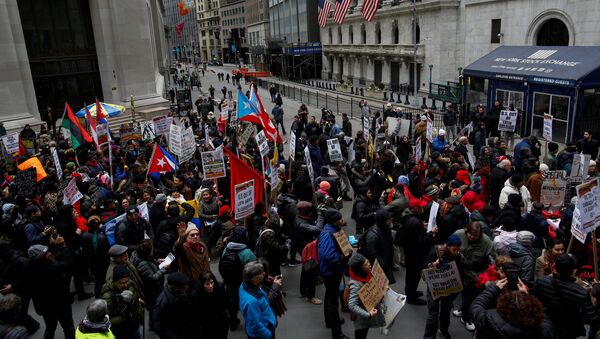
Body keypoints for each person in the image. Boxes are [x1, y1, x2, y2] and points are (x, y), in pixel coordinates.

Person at [534, 254, 600, 339]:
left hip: (544, 326)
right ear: (573, 271)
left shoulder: (541, 281)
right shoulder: (581, 292)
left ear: (554, 266)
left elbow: (534, 301)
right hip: (567, 332)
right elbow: (592, 319)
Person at [471, 278, 553, 338]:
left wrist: (494, 289)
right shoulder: (544, 330)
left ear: (503, 306)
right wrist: (528, 296)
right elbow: (543, 317)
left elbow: (477, 305)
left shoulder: (489, 319)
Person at [452, 221, 495, 332]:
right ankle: (463, 309)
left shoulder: (486, 242)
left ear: (480, 234)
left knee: (470, 296)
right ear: (466, 231)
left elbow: (492, 261)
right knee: (463, 293)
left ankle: (467, 318)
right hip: (459, 270)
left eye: (474, 236)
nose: (471, 237)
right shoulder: (459, 234)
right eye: (469, 234)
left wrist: (486, 276)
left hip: (475, 274)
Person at [28, 242, 76, 339]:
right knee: (68, 326)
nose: (50, 253)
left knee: (50, 327)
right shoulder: (51, 269)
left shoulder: (31, 268)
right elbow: (68, 262)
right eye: (46, 253)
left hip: (45, 306)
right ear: (41, 258)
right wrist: (63, 246)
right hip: (60, 304)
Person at [317, 210, 351, 339]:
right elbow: (327, 254)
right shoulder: (328, 234)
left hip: (334, 270)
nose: (343, 220)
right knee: (333, 301)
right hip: (331, 271)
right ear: (335, 221)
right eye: (340, 218)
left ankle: (329, 321)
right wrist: (341, 257)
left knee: (330, 296)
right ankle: (337, 332)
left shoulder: (333, 229)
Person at [423, 234, 463, 339]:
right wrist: (433, 265)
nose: (457, 252)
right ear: (448, 246)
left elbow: (460, 273)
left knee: (446, 311)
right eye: (455, 249)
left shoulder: (458, 256)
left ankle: (443, 329)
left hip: (449, 289)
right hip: (434, 287)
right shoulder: (436, 252)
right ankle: (429, 337)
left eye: (458, 249)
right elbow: (424, 266)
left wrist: (456, 291)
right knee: (433, 315)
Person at [219, 226, 257, 330]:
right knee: (247, 303)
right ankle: (250, 323)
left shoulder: (226, 249)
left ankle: (233, 321)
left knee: (232, 302)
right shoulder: (247, 253)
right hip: (243, 283)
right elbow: (254, 270)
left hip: (229, 281)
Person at [395, 198, 428, 305]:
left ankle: (410, 291)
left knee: (411, 274)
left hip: (410, 252)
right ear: (415, 209)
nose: (423, 207)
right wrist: (430, 234)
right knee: (414, 275)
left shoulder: (410, 217)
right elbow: (419, 241)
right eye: (421, 206)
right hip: (414, 254)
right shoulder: (414, 222)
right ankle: (411, 297)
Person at [347, 253, 385, 339]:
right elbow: (352, 305)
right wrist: (368, 314)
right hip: (362, 317)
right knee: (361, 334)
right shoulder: (355, 284)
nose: (369, 265)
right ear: (360, 269)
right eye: (365, 264)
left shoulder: (367, 274)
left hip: (367, 312)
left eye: (368, 262)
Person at [102, 265, 144, 339]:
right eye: (121, 283)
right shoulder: (108, 296)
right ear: (114, 282)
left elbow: (135, 294)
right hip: (121, 332)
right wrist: (123, 318)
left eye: (127, 281)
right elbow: (105, 320)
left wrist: (137, 300)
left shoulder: (130, 284)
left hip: (135, 327)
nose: (125, 285)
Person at [239, 262, 277, 339]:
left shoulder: (244, 285)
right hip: (262, 334)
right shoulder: (252, 301)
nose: (264, 273)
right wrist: (267, 334)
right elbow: (256, 324)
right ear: (254, 278)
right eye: (261, 272)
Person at [152, 272, 193, 339]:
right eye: (184, 285)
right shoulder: (162, 303)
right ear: (176, 287)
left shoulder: (181, 293)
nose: (186, 287)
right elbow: (160, 328)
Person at [360, 208, 395, 284]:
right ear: (383, 221)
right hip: (379, 270)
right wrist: (383, 265)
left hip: (385, 266)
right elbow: (372, 255)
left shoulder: (386, 229)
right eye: (389, 219)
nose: (391, 220)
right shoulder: (373, 235)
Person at [193, 272, 229, 339]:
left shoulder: (220, 287)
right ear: (201, 284)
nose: (210, 286)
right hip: (206, 324)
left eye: (212, 282)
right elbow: (197, 313)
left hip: (220, 321)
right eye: (207, 284)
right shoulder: (196, 295)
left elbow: (224, 303)